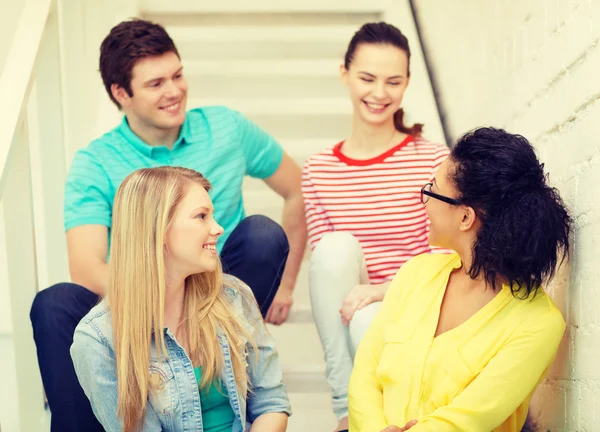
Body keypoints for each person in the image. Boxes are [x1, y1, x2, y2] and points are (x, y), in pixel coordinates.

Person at [30, 19, 306, 431]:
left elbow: (299, 189)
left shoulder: (227, 128)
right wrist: (158, 299)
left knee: (263, 234)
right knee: (54, 304)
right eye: (156, 83)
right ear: (120, 93)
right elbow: (87, 269)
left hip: (217, 290)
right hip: (136, 303)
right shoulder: (96, 162)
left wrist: (284, 287)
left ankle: (223, 372)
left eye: (177, 75)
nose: (175, 91)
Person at [348, 127, 571, 432]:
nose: (424, 201)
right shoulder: (416, 273)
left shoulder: (537, 324)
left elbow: (466, 421)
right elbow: (365, 376)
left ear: (465, 218)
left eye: (433, 190)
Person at [302, 22, 449, 430]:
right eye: (367, 78)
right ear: (344, 73)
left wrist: (384, 291)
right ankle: (348, 410)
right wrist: (366, 297)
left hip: (416, 305)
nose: (379, 93)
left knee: (371, 318)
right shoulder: (318, 170)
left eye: (393, 81)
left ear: (407, 84)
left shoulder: (434, 161)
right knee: (334, 250)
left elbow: (446, 260)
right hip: (353, 309)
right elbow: (327, 272)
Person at [70, 166, 291, 431]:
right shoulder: (98, 339)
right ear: (158, 229)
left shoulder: (234, 296)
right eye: (201, 217)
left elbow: (271, 402)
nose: (218, 228)